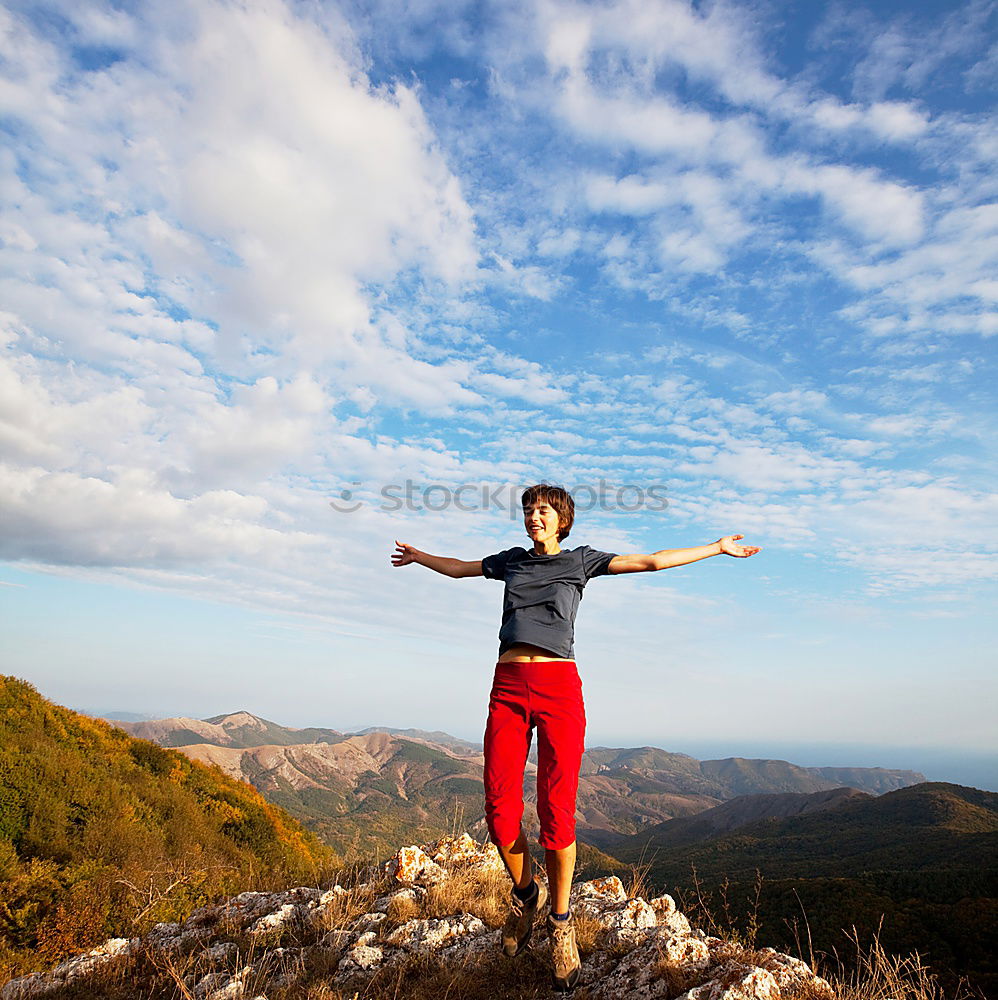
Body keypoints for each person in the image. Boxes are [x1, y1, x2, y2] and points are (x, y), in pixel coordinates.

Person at [391, 483, 760, 991]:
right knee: (499, 813)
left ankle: (560, 924)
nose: (531, 517)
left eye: (541, 510)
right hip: (507, 686)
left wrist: (715, 548)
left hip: (560, 688)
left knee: (555, 811)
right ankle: (528, 898)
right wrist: (419, 557)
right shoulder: (511, 562)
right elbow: (459, 568)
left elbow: (651, 562)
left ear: (561, 519)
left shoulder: (581, 562)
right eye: (527, 510)